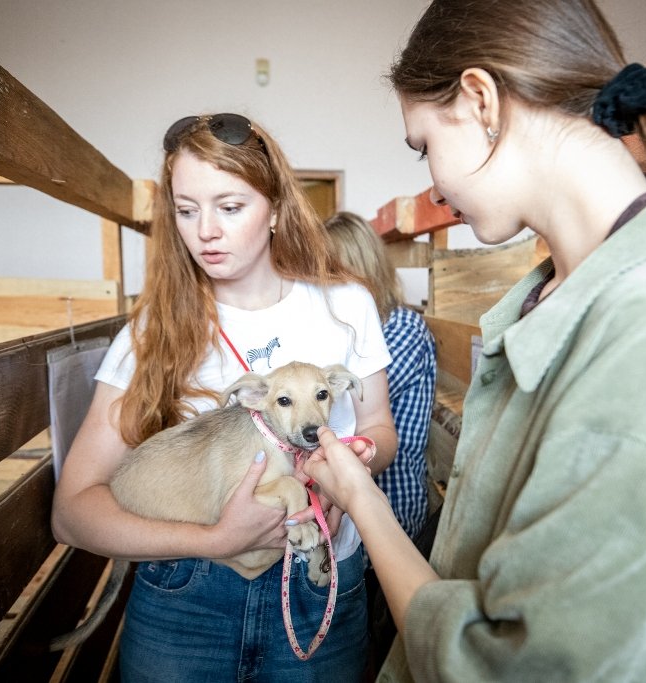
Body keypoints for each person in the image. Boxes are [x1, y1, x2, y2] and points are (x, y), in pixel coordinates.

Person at [302, 1, 646, 681]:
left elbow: (510, 663)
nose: (431, 182)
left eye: (425, 145)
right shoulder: (557, 294)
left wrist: (361, 499)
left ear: (479, 99)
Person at [51, 112, 398, 682]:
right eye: (186, 211)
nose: (205, 231)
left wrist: (349, 475)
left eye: (230, 207)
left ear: (277, 209)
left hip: (320, 575)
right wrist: (215, 538)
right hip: (188, 596)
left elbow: (380, 429)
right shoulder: (151, 335)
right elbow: (72, 513)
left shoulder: (345, 305)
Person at [325, 211, 436, 542]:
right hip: (347, 503)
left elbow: (347, 404)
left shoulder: (403, 327)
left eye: (330, 270)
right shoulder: (344, 328)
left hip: (390, 505)